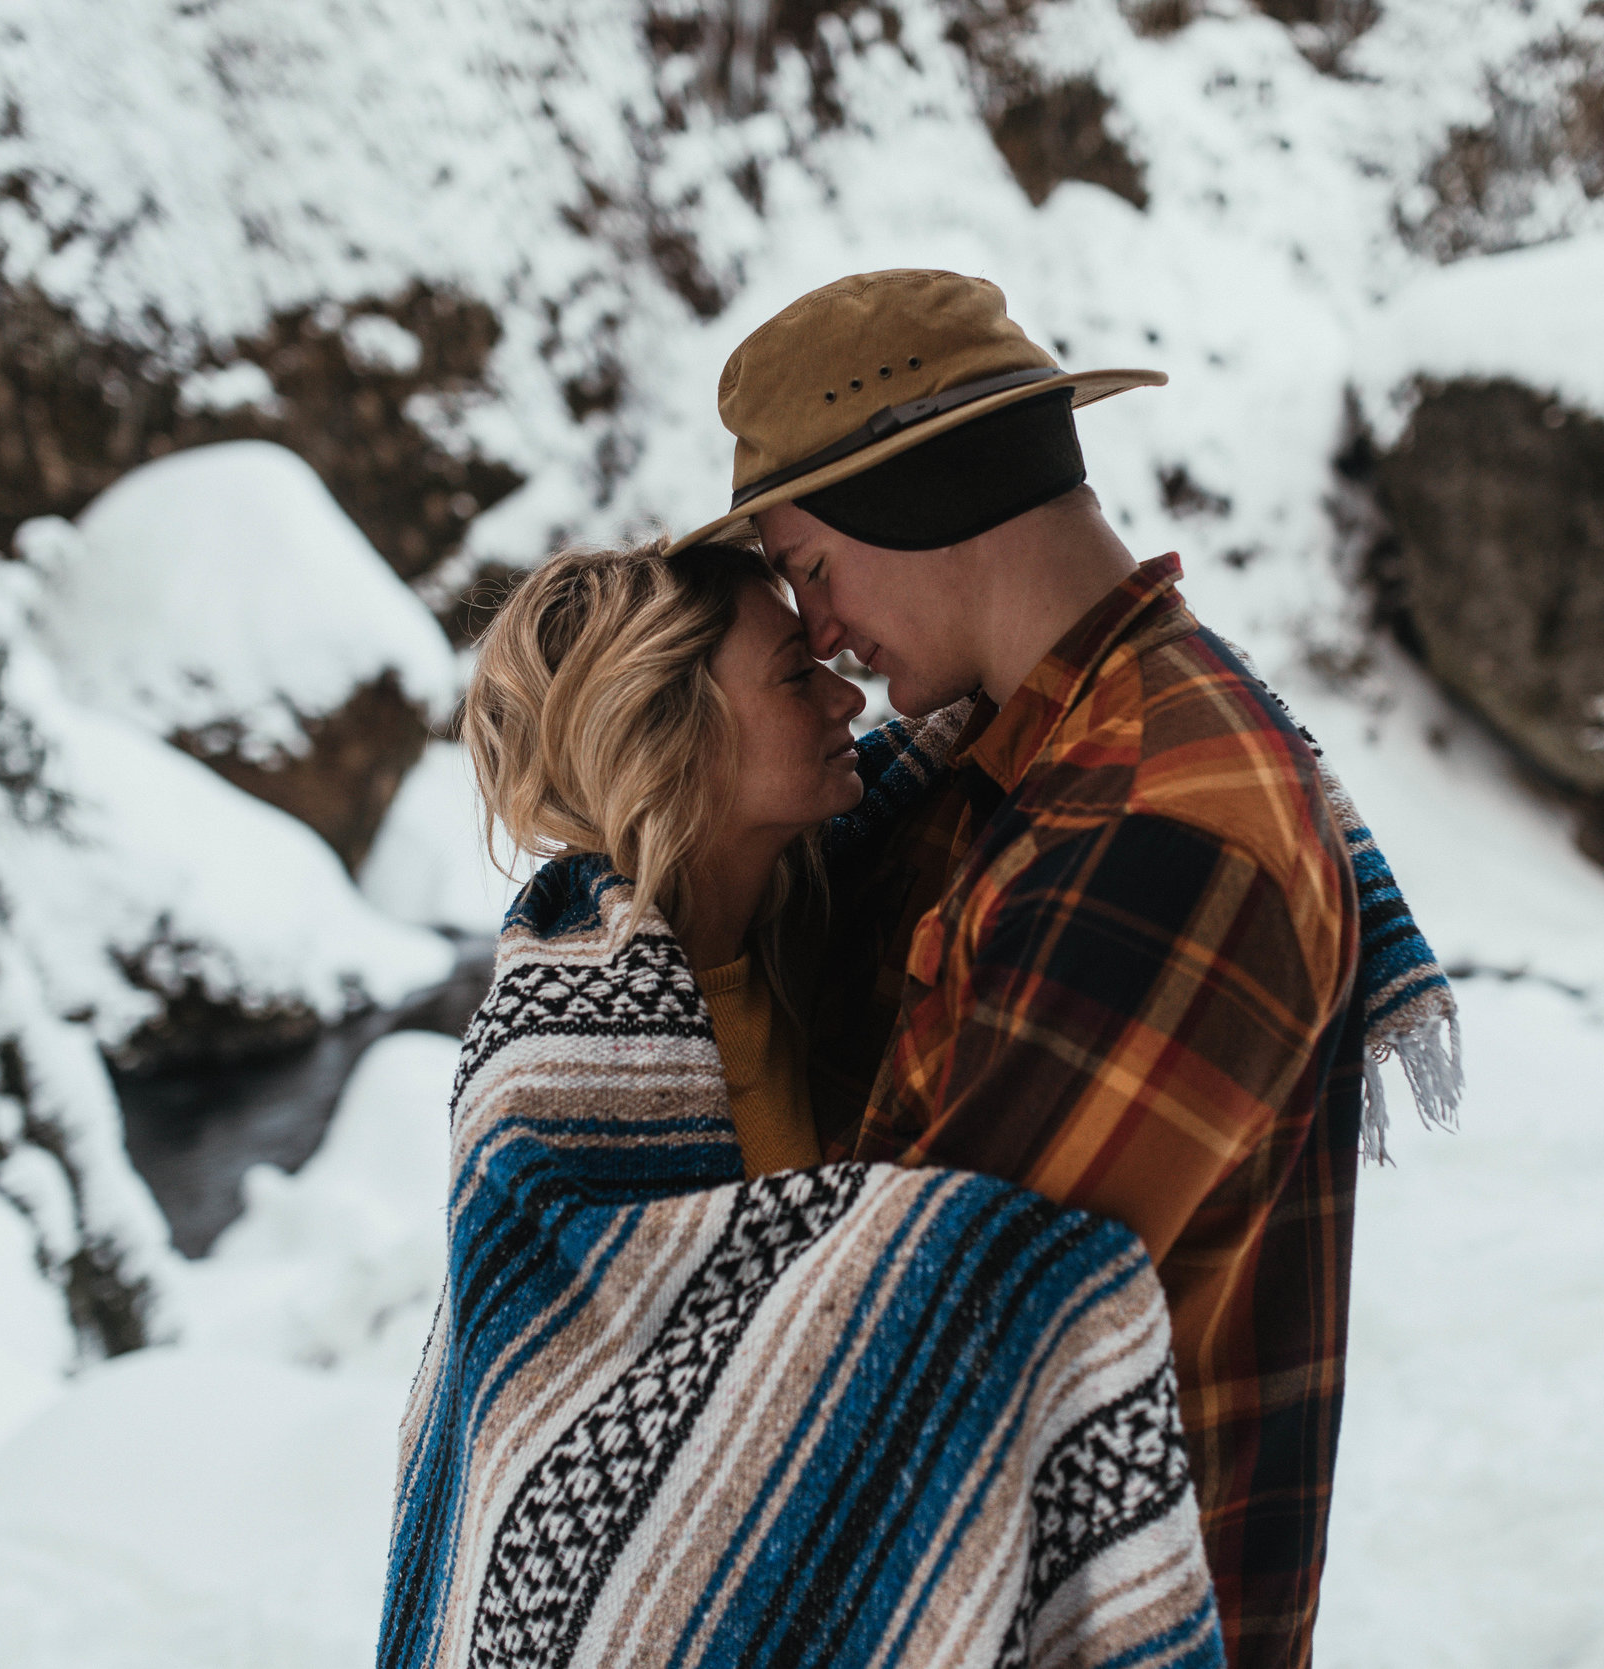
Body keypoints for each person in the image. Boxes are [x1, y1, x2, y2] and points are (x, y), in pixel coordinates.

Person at [666, 270, 1461, 1668]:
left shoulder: (1165, 826)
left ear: (919, 498)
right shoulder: (1035, 761)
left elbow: (922, 1348)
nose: (822, 633)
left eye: (811, 568)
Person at [378, 538, 1226, 1669]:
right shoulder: (557, 1056)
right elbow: (560, 1460)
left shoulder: (818, 907)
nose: (844, 691)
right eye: (791, 673)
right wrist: (1009, 1277)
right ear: (670, 732)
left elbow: (1028, 717)